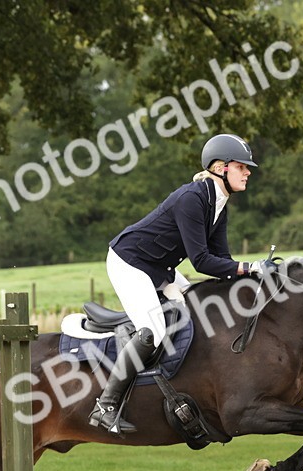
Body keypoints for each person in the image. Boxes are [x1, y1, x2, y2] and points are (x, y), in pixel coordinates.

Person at [89, 133, 279, 433]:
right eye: (242, 166)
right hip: (130, 262)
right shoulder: (193, 198)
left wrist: (252, 274)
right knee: (153, 330)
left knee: (194, 309)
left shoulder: (219, 205)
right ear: (221, 167)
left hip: (159, 267)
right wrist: (251, 266)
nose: (248, 172)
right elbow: (202, 261)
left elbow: (223, 262)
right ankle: (106, 406)